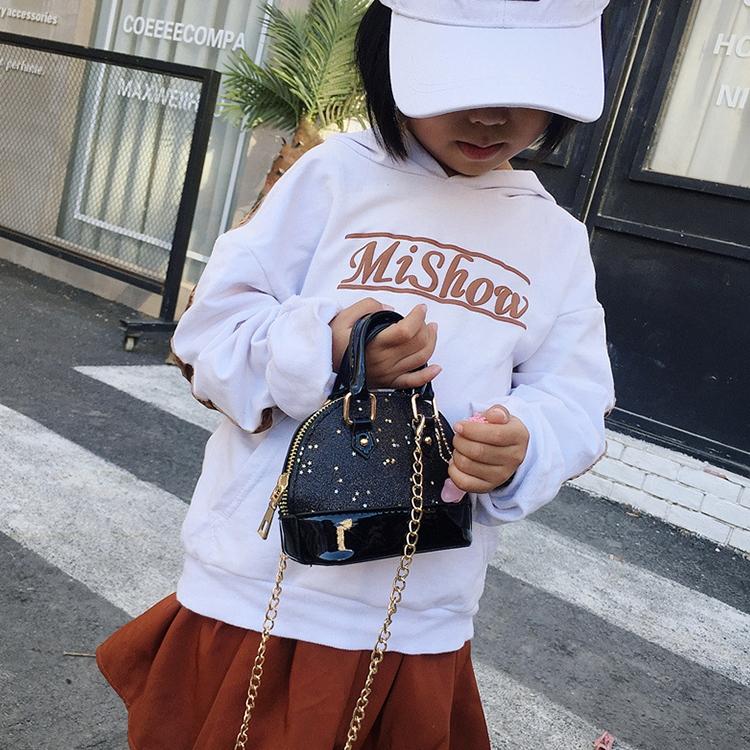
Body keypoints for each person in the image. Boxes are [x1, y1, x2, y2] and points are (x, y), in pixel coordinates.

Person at [96, 1, 615, 748]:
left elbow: (576, 395)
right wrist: (328, 347)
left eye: (525, 91)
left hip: (415, 607)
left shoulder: (555, 239)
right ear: (393, 61)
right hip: (261, 583)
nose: (491, 116)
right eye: (463, 83)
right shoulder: (334, 176)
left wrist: (523, 443)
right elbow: (208, 334)